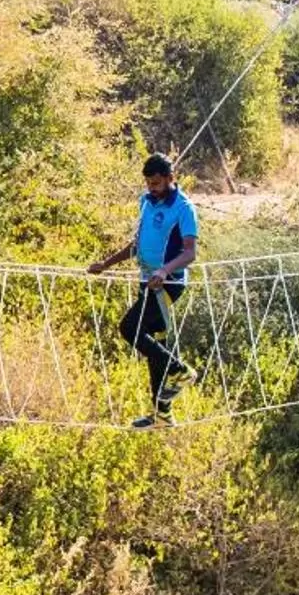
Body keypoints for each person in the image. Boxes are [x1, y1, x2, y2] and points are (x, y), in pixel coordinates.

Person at [87, 153, 198, 428]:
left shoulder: (184, 208)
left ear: (171, 179)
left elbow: (190, 253)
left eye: (157, 183)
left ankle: (181, 370)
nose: (152, 188)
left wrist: (163, 271)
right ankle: (162, 414)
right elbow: (137, 245)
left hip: (168, 284)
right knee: (154, 348)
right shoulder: (146, 202)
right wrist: (106, 264)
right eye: (149, 183)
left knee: (129, 329)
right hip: (146, 282)